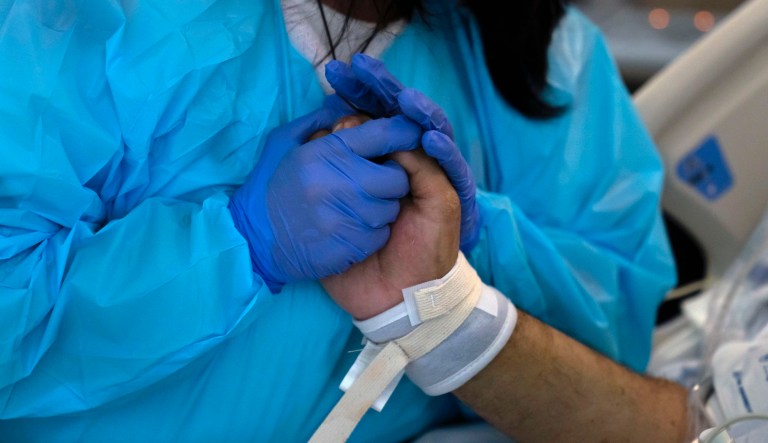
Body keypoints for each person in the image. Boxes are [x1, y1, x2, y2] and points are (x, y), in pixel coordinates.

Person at [0, 0, 676, 441]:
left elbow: (607, 365)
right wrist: (239, 242)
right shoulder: (83, 22)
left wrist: (462, 263)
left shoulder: (545, 55)